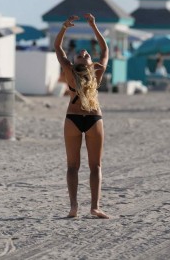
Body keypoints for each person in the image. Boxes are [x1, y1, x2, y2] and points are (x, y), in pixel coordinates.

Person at [54, 13, 109, 218]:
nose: (84, 52)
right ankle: (94, 207)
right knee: (94, 166)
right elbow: (104, 50)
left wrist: (64, 28)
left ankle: (74, 207)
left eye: (83, 54)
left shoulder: (69, 71)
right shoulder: (97, 72)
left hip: (72, 120)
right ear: (87, 63)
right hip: (94, 119)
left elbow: (58, 48)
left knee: (73, 166)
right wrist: (94, 26)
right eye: (83, 54)